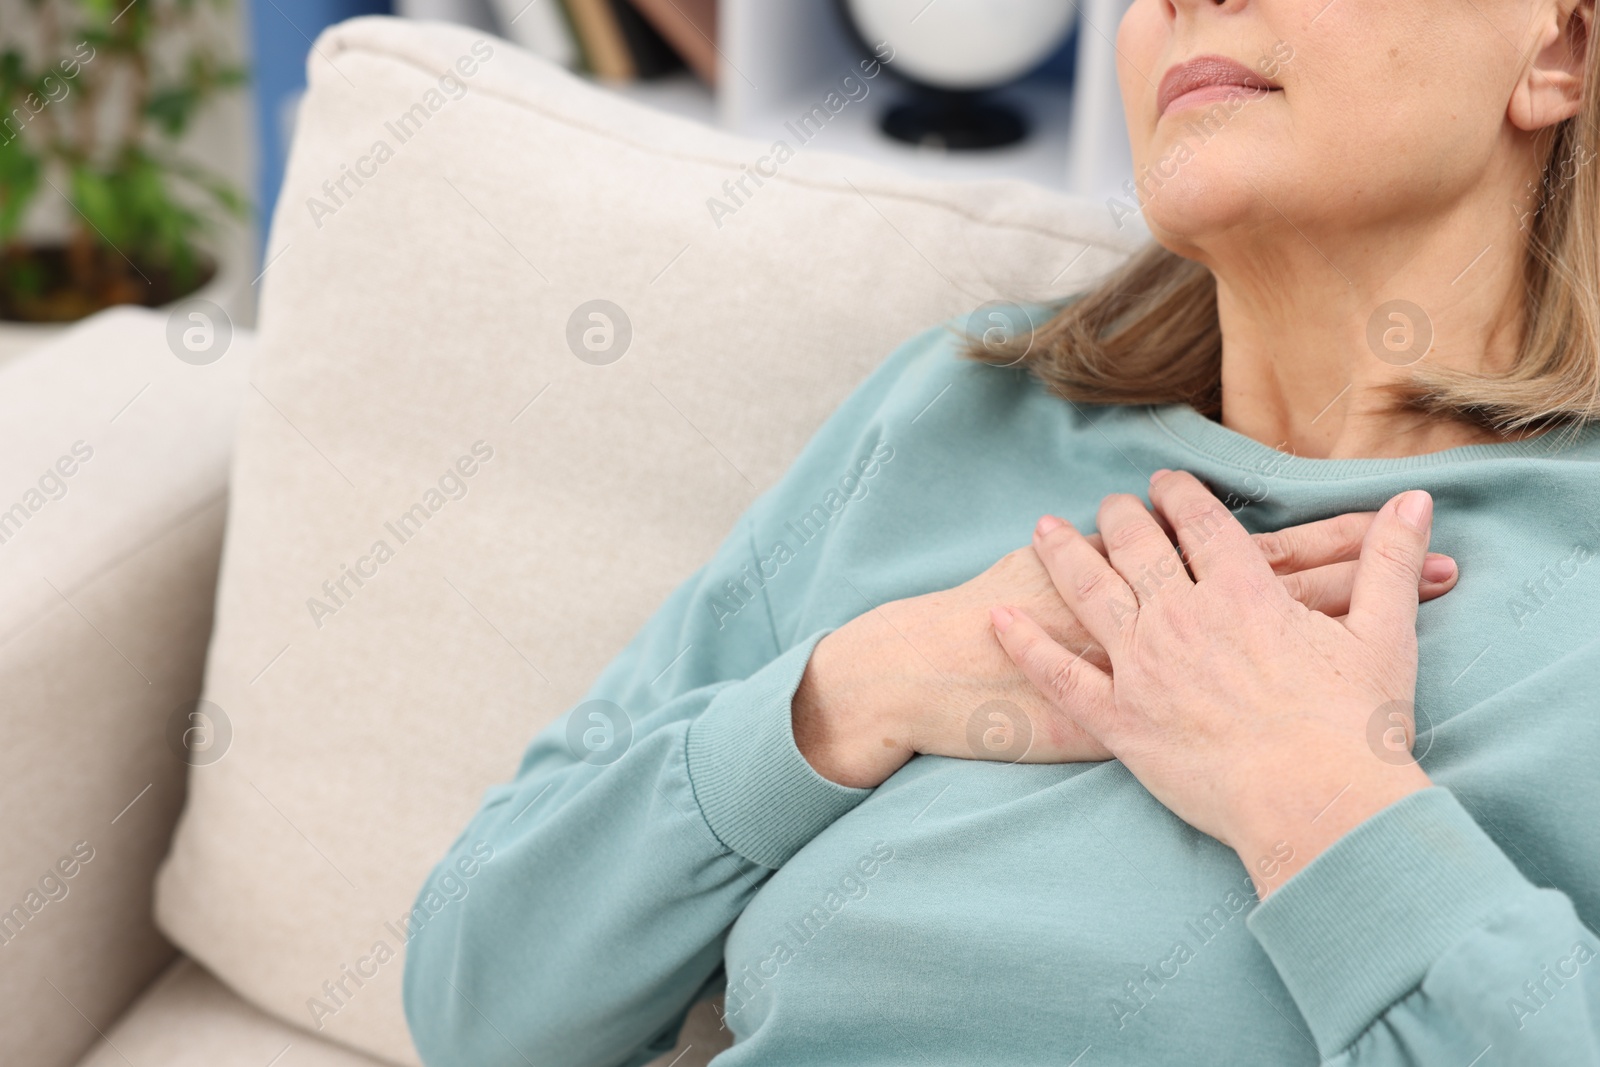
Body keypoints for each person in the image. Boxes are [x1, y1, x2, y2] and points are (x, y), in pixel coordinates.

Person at [404, 1, 1600, 1063]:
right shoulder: (953, 411)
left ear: (1560, 44)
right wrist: (857, 688)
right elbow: (477, 1003)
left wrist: (1312, 794)